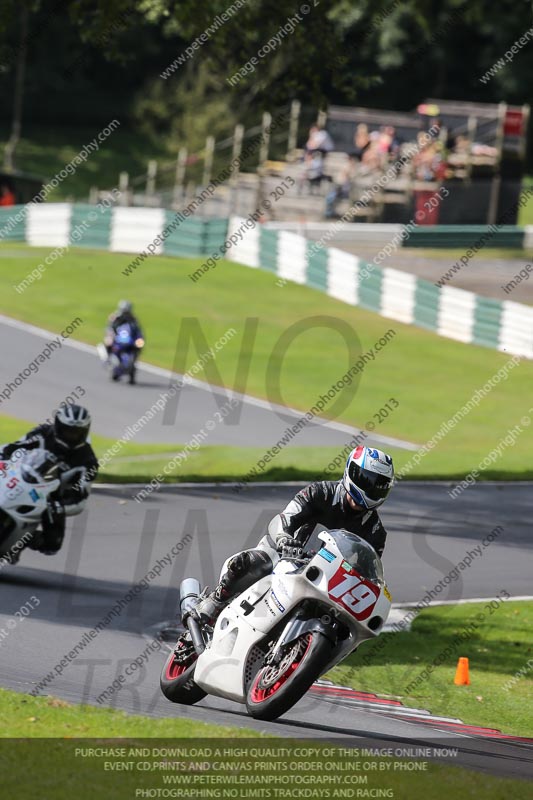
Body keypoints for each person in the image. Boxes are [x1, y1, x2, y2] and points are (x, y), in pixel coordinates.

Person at [190, 445, 394, 625]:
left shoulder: (376, 532)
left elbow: (366, 574)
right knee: (253, 562)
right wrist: (284, 538)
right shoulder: (320, 492)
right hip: (285, 555)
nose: (371, 488)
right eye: (367, 480)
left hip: (325, 583)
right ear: (351, 471)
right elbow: (287, 516)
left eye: (379, 485)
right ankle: (216, 600)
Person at [0, 405, 98, 556]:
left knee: (53, 544)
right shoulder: (42, 433)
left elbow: (80, 501)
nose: (71, 435)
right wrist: (3, 457)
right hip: (22, 478)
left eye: (77, 432)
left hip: (51, 497)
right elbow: (14, 447)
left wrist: (57, 506)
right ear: (58, 425)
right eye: (68, 430)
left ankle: (23, 539)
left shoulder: (88, 461)